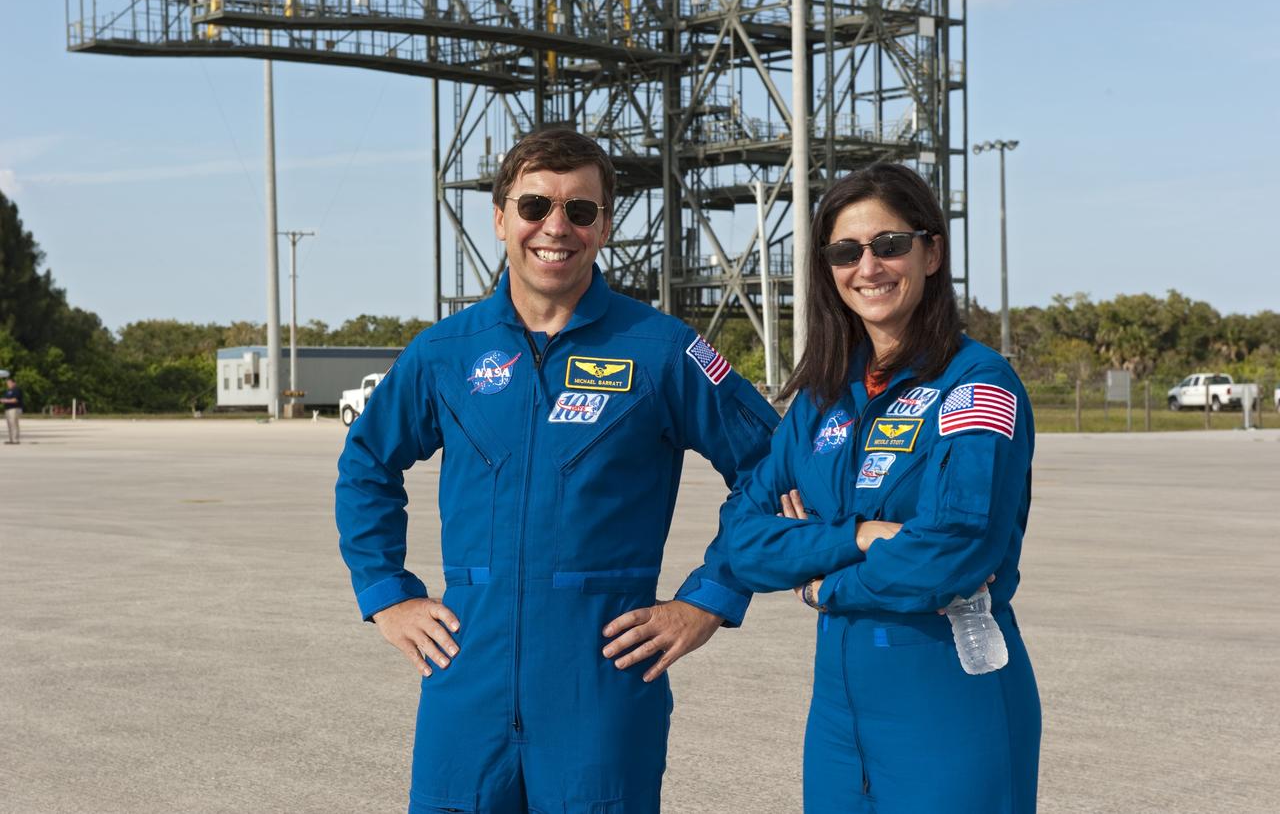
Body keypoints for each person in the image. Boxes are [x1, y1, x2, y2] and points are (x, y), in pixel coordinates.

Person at [335, 128, 779, 813]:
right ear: (500, 218)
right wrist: (385, 591)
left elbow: (771, 464)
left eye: (580, 210)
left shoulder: (662, 351)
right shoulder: (444, 353)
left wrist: (709, 598)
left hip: (600, 685)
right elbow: (366, 461)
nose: (555, 227)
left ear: (603, 227)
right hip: (466, 681)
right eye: (535, 205)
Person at [728, 163, 1041, 813]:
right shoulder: (820, 399)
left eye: (888, 244)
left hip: (946, 699)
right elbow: (743, 537)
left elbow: (954, 549)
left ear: (931, 251)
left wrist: (823, 578)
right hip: (839, 715)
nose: (867, 266)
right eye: (846, 251)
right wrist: (857, 537)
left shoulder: (976, 385)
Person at [2, 377, 23, 444]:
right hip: (8, 409)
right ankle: (11, 439)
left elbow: (15, 400)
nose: (8, 384)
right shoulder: (8, 391)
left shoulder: (16, 390)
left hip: (14, 409)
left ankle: (16, 440)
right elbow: (7, 399)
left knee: (14, 424)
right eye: (7, 383)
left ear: (14, 383)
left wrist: (5, 400)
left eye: (9, 383)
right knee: (9, 424)